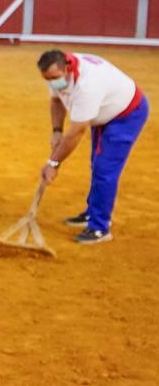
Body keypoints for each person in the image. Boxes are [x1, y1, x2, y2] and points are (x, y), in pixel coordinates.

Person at [38, 50, 148, 244]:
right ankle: (92, 213)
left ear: (67, 68)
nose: (52, 82)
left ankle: (100, 228)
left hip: (125, 116)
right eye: (47, 79)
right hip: (104, 112)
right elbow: (56, 100)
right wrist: (56, 130)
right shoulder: (58, 73)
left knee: (105, 170)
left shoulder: (87, 85)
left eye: (54, 78)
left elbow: (77, 131)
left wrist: (53, 163)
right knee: (96, 164)